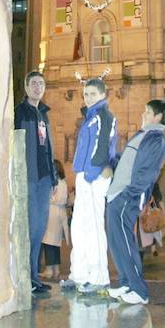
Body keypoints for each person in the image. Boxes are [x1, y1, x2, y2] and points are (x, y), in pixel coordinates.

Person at [105, 99, 165, 306]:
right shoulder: (143, 135)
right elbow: (127, 161)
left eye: (147, 111)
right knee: (116, 240)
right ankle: (126, 283)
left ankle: (139, 290)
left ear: (158, 116)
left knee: (124, 240)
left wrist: (130, 193)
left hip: (127, 195)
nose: (143, 114)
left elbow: (147, 172)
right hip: (117, 194)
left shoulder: (155, 139)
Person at [64, 77, 117, 293]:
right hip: (84, 174)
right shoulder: (89, 117)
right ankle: (78, 274)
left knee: (94, 227)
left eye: (93, 94)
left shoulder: (105, 116)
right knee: (79, 227)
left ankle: (97, 278)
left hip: (94, 175)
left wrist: (93, 172)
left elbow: (104, 143)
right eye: (86, 94)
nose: (88, 98)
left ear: (103, 95)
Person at [14, 70, 55, 294]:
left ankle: (33, 277)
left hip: (44, 179)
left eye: (41, 84)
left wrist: (54, 177)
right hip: (29, 178)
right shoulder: (20, 112)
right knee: (29, 229)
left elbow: (48, 147)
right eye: (34, 84)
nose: (38, 87)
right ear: (26, 87)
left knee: (39, 230)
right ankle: (27, 278)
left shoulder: (44, 114)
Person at [41, 160, 70, 282]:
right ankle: (56, 268)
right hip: (61, 213)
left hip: (52, 212)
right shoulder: (63, 182)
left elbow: (54, 198)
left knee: (48, 242)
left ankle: (49, 270)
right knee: (56, 243)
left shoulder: (55, 183)